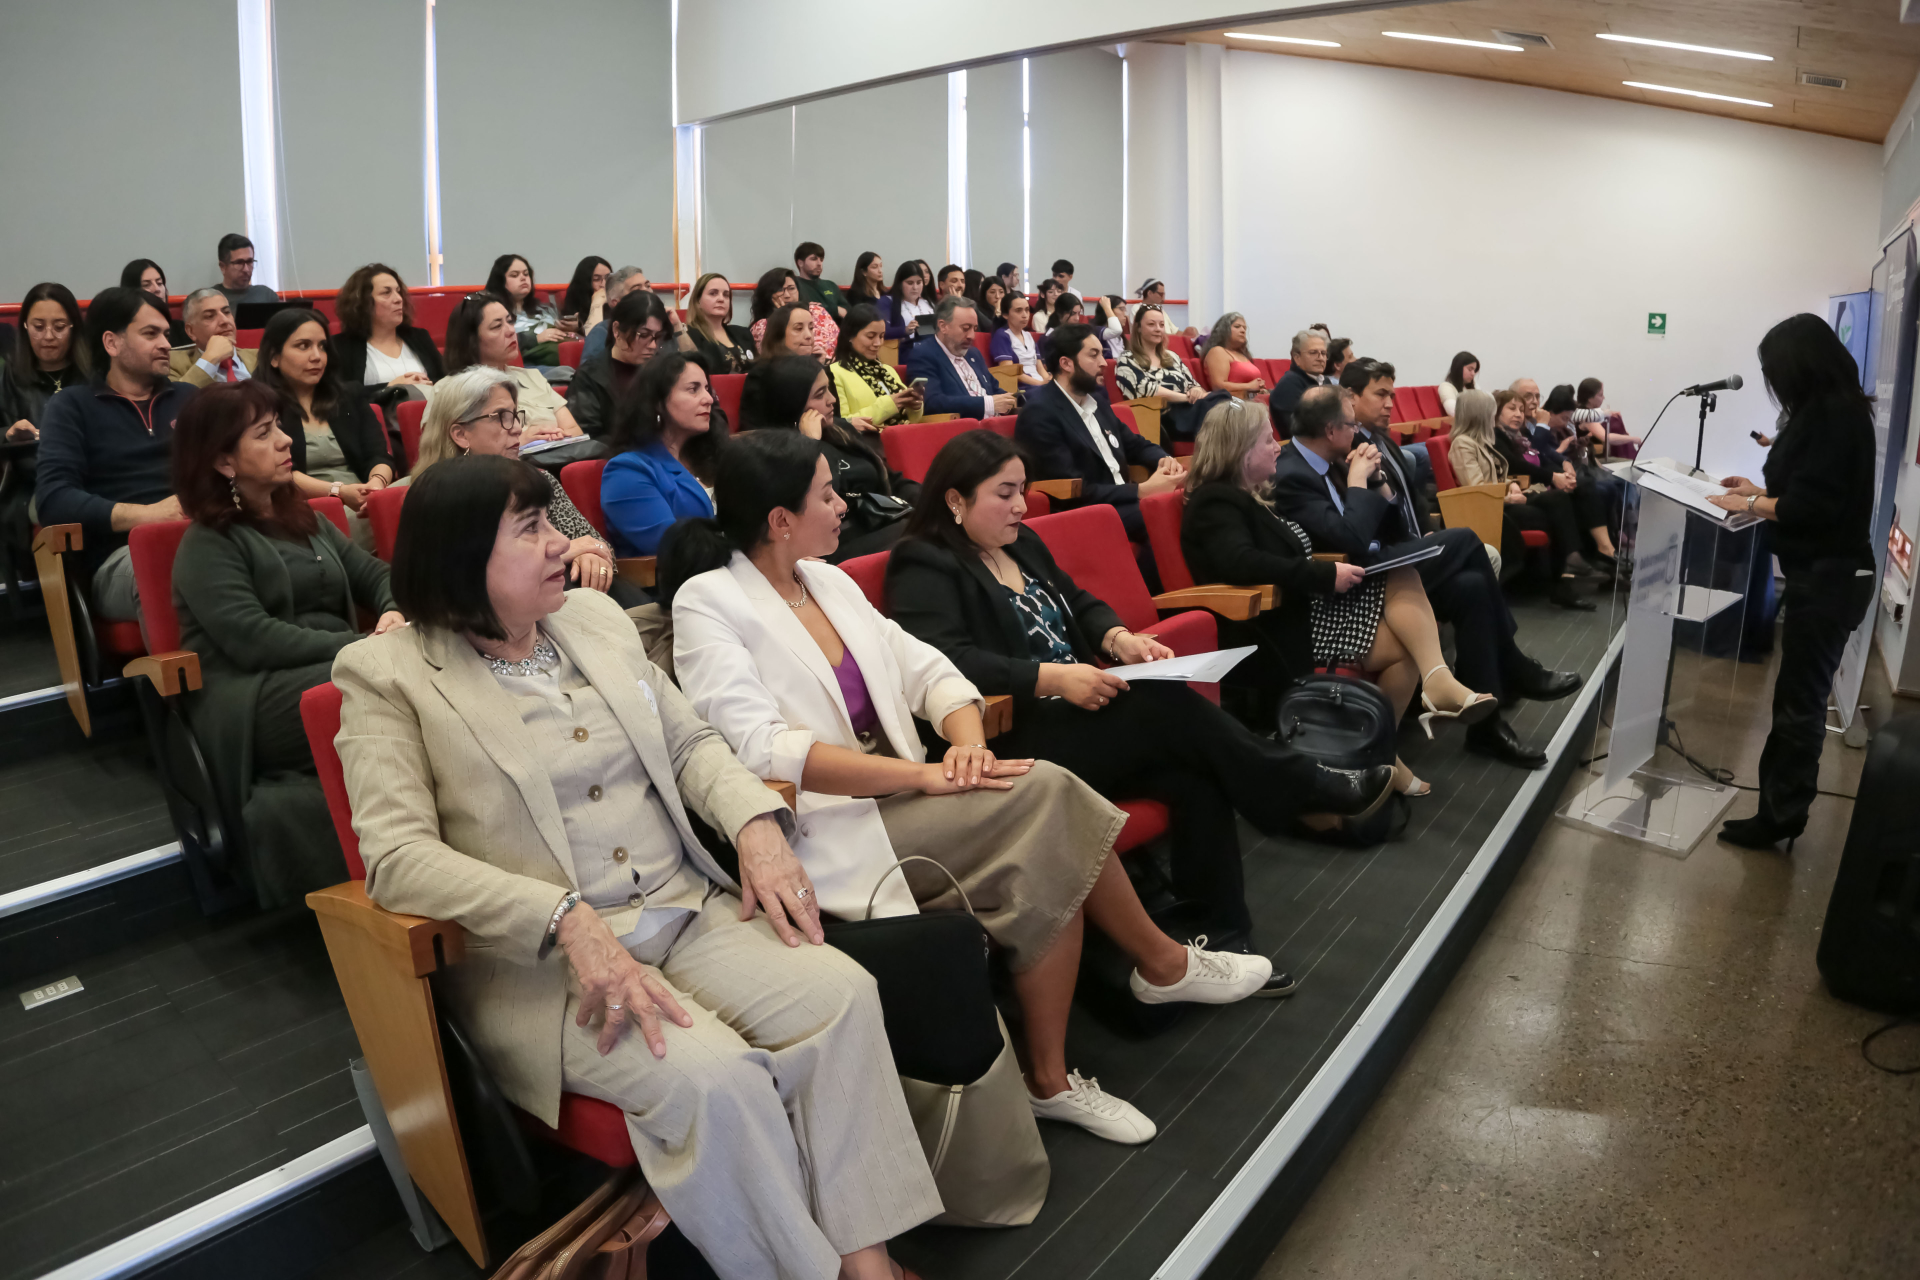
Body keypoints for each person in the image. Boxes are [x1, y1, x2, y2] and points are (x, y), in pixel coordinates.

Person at [335, 452, 941, 1278]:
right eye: (531, 529)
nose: (562, 543)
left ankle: (867, 1264)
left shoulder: (596, 621)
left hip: (683, 909)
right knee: (717, 1081)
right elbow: (397, 858)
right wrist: (562, 917)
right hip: (552, 973)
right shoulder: (387, 674)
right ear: (461, 555)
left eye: (552, 523)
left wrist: (756, 824)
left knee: (841, 996)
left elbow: (689, 744)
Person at [665, 429, 1276, 1145]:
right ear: (779, 519)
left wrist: (968, 743)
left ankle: (1055, 1075)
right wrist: (926, 773)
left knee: (1046, 842)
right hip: (825, 829)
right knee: (1049, 796)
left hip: (903, 796)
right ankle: (1156, 970)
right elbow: (764, 748)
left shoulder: (825, 581)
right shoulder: (709, 602)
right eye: (827, 496)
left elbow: (929, 670)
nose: (844, 506)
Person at [887, 426, 1393, 948]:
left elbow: (1079, 602)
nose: (1020, 505)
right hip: (1016, 733)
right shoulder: (924, 560)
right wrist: (1053, 677)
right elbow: (946, 660)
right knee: (1158, 698)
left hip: (1080, 710)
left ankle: (1219, 936)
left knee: (1194, 775)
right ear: (955, 499)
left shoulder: (1021, 542)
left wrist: (1119, 638)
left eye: (1022, 490)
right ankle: (1305, 786)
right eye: (1004, 493)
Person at [1182, 398, 1495, 793]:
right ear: (1241, 452)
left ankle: (1390, 737)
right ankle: (1415, 709)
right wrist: (1325, 575)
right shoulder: (1215, 501)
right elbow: (1242, 563)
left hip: (1302, 607)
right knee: (1405, 588)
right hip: (1272, 624)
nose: (1278, 446)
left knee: (1402, 581)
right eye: (1267, 441)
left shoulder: (1252, 496)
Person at [1271, 375, 1581, 768]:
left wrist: (1377, 481)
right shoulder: (1295, 474)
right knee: (1466, 538)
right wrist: (1358, 480)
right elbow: (1351, 538)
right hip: (1348, 584)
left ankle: (1487, 729)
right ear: (1331, 430)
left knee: (1471, 586)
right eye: (1350, 424)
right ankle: (1515, 664)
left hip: (1383, 564)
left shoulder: (1333, 457)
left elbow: (1393, 528)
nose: (1356, 431)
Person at [170, 379, 401, 904]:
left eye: (278, 426)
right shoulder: (207, 543)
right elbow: (254, 639)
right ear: (224, 462)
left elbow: (376, 575)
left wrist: (392, 612)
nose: (285, 440)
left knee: (403, 666)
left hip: (334, 662)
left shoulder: (306, 519)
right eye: (264, 433)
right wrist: (361, 646)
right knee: (381, 679)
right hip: (251, 694)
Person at [1704, 316, 1875, 848]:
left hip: (1830, 579)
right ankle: (1778, 810)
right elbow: (1812, 490)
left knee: (1800, 706)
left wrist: (1750, 504)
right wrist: (1755, 491)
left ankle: (1781, 817)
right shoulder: (1831, 411)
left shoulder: (1833, 417)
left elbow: (1811, 508)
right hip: (1823, 575)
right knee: (1795, 700)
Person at [35, 287, 193, 620]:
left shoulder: (191, 399)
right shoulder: (72, 406)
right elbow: (53, 500)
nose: (166, 344)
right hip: (122, 556)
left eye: (166, 334)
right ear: (112, 343)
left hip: (202, 535)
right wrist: (147, 515)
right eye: (150, 334)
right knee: (176, 567)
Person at [407, 366, 616, 595]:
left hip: (588, 595)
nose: (517, 428)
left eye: (515, 415)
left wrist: (594, 557)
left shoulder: (538, 480)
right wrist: (565, 552)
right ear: (461, 434)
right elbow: (463, 579)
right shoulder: (438, 498)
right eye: (501, 418)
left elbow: (596, 544)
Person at [737, 354, 918, 560]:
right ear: (793, 405)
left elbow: (891, 479)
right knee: (921, 539)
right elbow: (818, 500)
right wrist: (809, 444)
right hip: (837, 541)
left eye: (828, 390)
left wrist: (929, 500)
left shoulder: (840, 430)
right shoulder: (776, 453)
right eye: (820, 394)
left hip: (882, 521)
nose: (832, 400)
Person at [1015, 322, 1182, 544]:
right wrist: (1141, 491)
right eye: (1093, 355)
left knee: (1189, 501)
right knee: (1163, 513)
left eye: (1102, 354)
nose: (1104, 363)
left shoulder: (1097, 402)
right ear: (1066, 363)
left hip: (1122, 502)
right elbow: (1073, 489)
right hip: (1083, 511)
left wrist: (1164, 459)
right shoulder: (1040, 413)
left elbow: (1135, 444)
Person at [251, 309, 396, 522]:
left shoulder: (348, 396)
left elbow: (379, 455)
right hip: (306, 508)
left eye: (322, 346)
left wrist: (376, 486)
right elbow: (276, 473)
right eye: (303, 346)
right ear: (274, 357)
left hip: (363, 499)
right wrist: (339, 492)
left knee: (417, 486)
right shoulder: (259, 406)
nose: (317, 356)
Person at [1451, 389, 1584, 602]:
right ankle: (1555, 578)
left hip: (1500, 500)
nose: (1494, 417)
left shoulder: (1481, 441)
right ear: (1479, 414)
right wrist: (1508, 497)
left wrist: (1511, 484)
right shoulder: (1463, 443)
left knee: (1556, 499)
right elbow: (1476, 490)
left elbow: (1494, 477)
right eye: (1491, 412)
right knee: (1545, 514)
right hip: (1491, 508)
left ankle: (1564, 569)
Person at [600, 350, 724, 557]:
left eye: (707, 389)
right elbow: (674, 548)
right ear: (658, 402)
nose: (709, 399)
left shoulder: (713, 454)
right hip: (683, 575)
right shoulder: (627, 471)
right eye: (693, 390)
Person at [1495, 385, 1615, 589]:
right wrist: (1554, 476)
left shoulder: (1518, 434)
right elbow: (1519, 463)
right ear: (1496, 412)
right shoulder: (1500, 435)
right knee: (1562, 497)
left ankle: (1604, 551)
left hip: (1536, 484)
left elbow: (1542, 455)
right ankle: (1575, 560)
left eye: (1520, 409)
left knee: (1586, 486)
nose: (1519, 413)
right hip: (1521, 490)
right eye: (1513, 408)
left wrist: (1562, 470)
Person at [443, 293, 584, 444]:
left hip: (556, 454)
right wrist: (521, 441)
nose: (511, 331)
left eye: (510, 322)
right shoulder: (450, 390)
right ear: (472, 340)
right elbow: (445, 450)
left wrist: (553, 437)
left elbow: (574, 430)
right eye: (497, 326)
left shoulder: (532, 377)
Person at [569, 289, 671, 441]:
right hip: (615, 453)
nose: (653, 345)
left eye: (658, 336)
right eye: (643, 335)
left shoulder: (662, 370)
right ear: (617, 330)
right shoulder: (589, 377)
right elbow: (587, 438)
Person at [329, 263, 445, 390]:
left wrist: (427, 385)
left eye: (398, 292)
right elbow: (342, 393)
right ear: (364, 302)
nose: (398, 299)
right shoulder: (341, 346)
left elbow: (446, 381)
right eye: (386, 293)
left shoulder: (419, 337)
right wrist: (390, 387)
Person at [3, 283, 89, 442]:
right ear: (25, 327)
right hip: (29, 456)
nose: (48, 336)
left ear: (73, 327)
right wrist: (7, 434)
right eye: (38, 327)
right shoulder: (10, 376)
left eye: (59, 327)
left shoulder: (93, 373)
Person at [905, 296, 1015, 419]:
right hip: (963, 426)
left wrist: (1012, 400)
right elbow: (932, 403)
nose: (972, 336)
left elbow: (993, 389)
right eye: (965, 328)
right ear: (943, 326)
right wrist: (987, 404)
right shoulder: (924, 354)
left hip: (995, 422)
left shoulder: (974, 353)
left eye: (974, 329)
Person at [829, 304, 926, 427]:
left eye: (881, 336)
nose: (878, 343)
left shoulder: (888, 370)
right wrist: (889, 405)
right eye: (870, 336)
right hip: (867, 438)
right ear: (850, 335)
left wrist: (915, 407)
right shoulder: (834, 372)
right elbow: (841, 424)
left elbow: (912, 420)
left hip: (901, 434)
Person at [1115, 304, 1204, 438]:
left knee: (1224, 399)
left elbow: (1193, 385)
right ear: (1138, 327)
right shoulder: (1127, 358)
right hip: (1160, 417)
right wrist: (1186, 397)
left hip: (1188, 410)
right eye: (1151, 324)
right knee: (1222, 404)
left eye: (1162, 325)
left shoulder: (1172, 356)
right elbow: (1146, 390)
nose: (1158, 329)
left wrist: (1196, 390)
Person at [485, 254, 567, 366]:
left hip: (564, 358)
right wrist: (535, 338)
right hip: (528, 366)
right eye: (514, 275)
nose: (523, 278)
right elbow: (493, 343)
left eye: (526, 274)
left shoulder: (545, 308)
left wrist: (572, 327)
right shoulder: (493, 313)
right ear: (500, 281)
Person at [169, 288, 256, 387]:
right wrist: (210, 360)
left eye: (227, 312)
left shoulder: (259, 357)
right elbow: (179, 396)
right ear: (191, 331)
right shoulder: (172, 363)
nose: (224, 321)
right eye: (210, 316)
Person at [747, 268, 837, 360]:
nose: (787, 295)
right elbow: (771, 358)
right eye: (780, 290)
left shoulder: (818, 311)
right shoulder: (762, 325)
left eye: (791, 288)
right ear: (768, 294)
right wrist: (782, 316)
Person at [677, 271, 754, 373]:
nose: (721, 299)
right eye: (713, 293)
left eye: (726, 295)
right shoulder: (690, 336)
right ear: (698, 301)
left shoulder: (743, 333)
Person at [1268, 329, 1330, 437]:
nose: (1320, 358)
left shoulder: (1325, 381)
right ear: (1297, 358)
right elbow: (1297, 429)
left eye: (1323, 353)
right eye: (1313, 353)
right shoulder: (1289, 385)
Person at [581, 266, 648, 363]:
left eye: (647, 286)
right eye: (637, 289)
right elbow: (588, 370)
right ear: (616, 303)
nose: (647, 291)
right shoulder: (601, 332)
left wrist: (673, 326)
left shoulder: (662, 326)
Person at [988, 293, 1049, 388]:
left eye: (1027, 310)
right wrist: (1040, 383)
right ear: (1005, 315)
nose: (1025, 315)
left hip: (1039, 385)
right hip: (1023, 388)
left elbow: (1040, 368)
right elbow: (1010, 372)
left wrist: (1049, 381)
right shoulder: (1002, 336)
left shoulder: (1028, 335)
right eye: (1018, 311)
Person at [120, 259, 188, 344]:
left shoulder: (182, 329)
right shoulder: (125, 334)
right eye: (146, 285)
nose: (157, 289)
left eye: (159, 283)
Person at [1202, 312, 1266, 398]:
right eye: (1237, 326)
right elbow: (1218, 386)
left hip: (1251, 401)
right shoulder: (1217, 351)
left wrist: (1260, 388)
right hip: (1230, 402)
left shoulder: (1242, 355)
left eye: (1244, 328)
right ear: (1224, 330)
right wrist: (1249, 386)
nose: (1243, 331)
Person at [214, 233, 278, 306]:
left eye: (249, 262)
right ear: (223, 266)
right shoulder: (210, 299)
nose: (246, 269)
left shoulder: (267, 296)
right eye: (239, 263)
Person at [558, 255, 612, 338]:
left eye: (608, 278)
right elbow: (595, 339)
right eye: (596, 279)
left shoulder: (618, 304)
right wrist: (580, 328)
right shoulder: (575, 308)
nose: (604, 284)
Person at [792, 241, 848, 320]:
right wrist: (835, 309)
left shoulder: (830, 285)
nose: (819, 263)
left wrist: (820, 308)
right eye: (814, 259)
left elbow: (848, 312)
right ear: (800, 263)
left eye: (821, 260)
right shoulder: (793, 285)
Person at [884, 261, 934, 351]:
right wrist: (905, 331)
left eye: (919, 282)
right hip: (902, 353)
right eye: (910, 283)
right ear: (900, 284)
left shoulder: (928, 303)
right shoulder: (887, 302)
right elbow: (882, 330)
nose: (915, 287)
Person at [1438, 351, 1478, 416]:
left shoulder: (1474, 385)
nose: (1473, 374)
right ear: (1459, 368)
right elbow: (1454, 412)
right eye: (1470, 369)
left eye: (1474, 370)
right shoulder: (1446, 386)